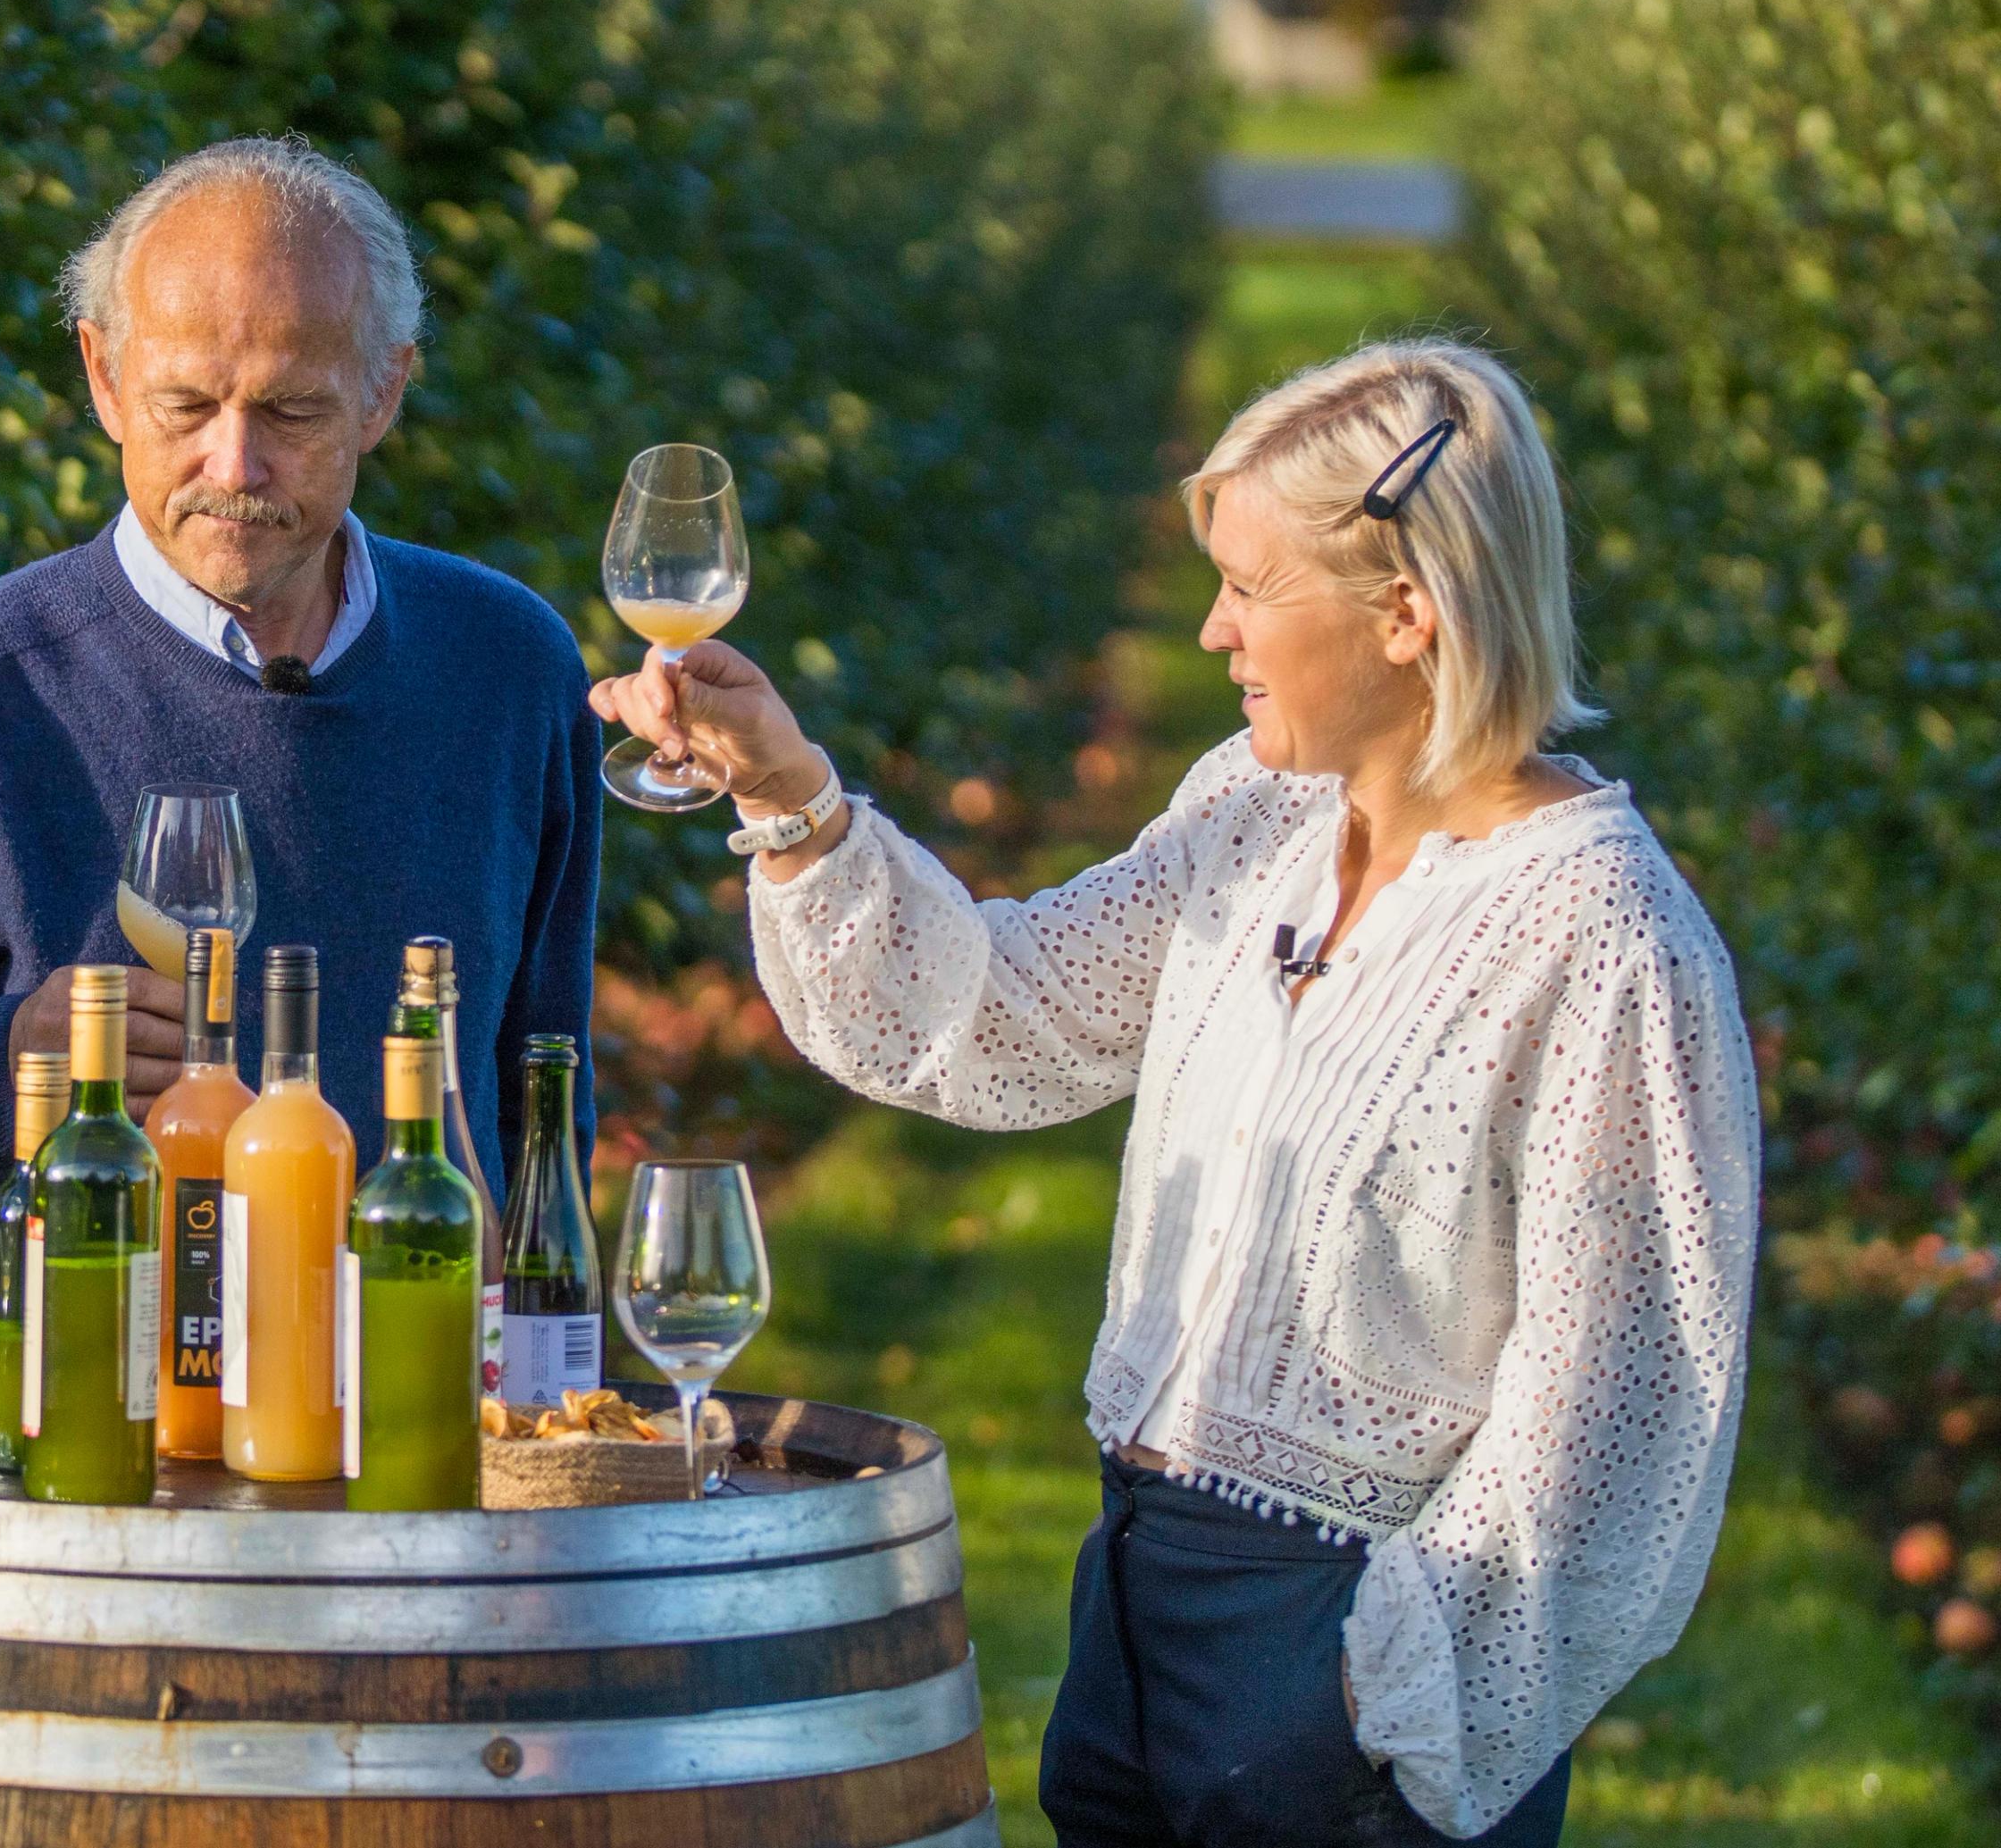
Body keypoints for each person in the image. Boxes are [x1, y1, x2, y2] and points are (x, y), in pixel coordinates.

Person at [593, 339, 1758, 1845]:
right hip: (1135, 1600)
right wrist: (789, 796)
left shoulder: (1603, 934)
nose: (1211, 629)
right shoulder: (1257, 815)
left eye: (1251, 589)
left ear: (1409, 611)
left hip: (1345, 1669)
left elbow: (1614, 1415)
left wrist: (1377, 1699)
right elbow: (996, 1014)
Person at [0, 136, 599, 1372]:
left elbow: (544, 1092)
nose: (233, 467)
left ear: (385, 392)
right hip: (35, 1478)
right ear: (105, 377)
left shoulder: (508, 669)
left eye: (291, 410)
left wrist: (555, 1400)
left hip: (415, 1444)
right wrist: (8, 1060)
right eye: (187, 405)